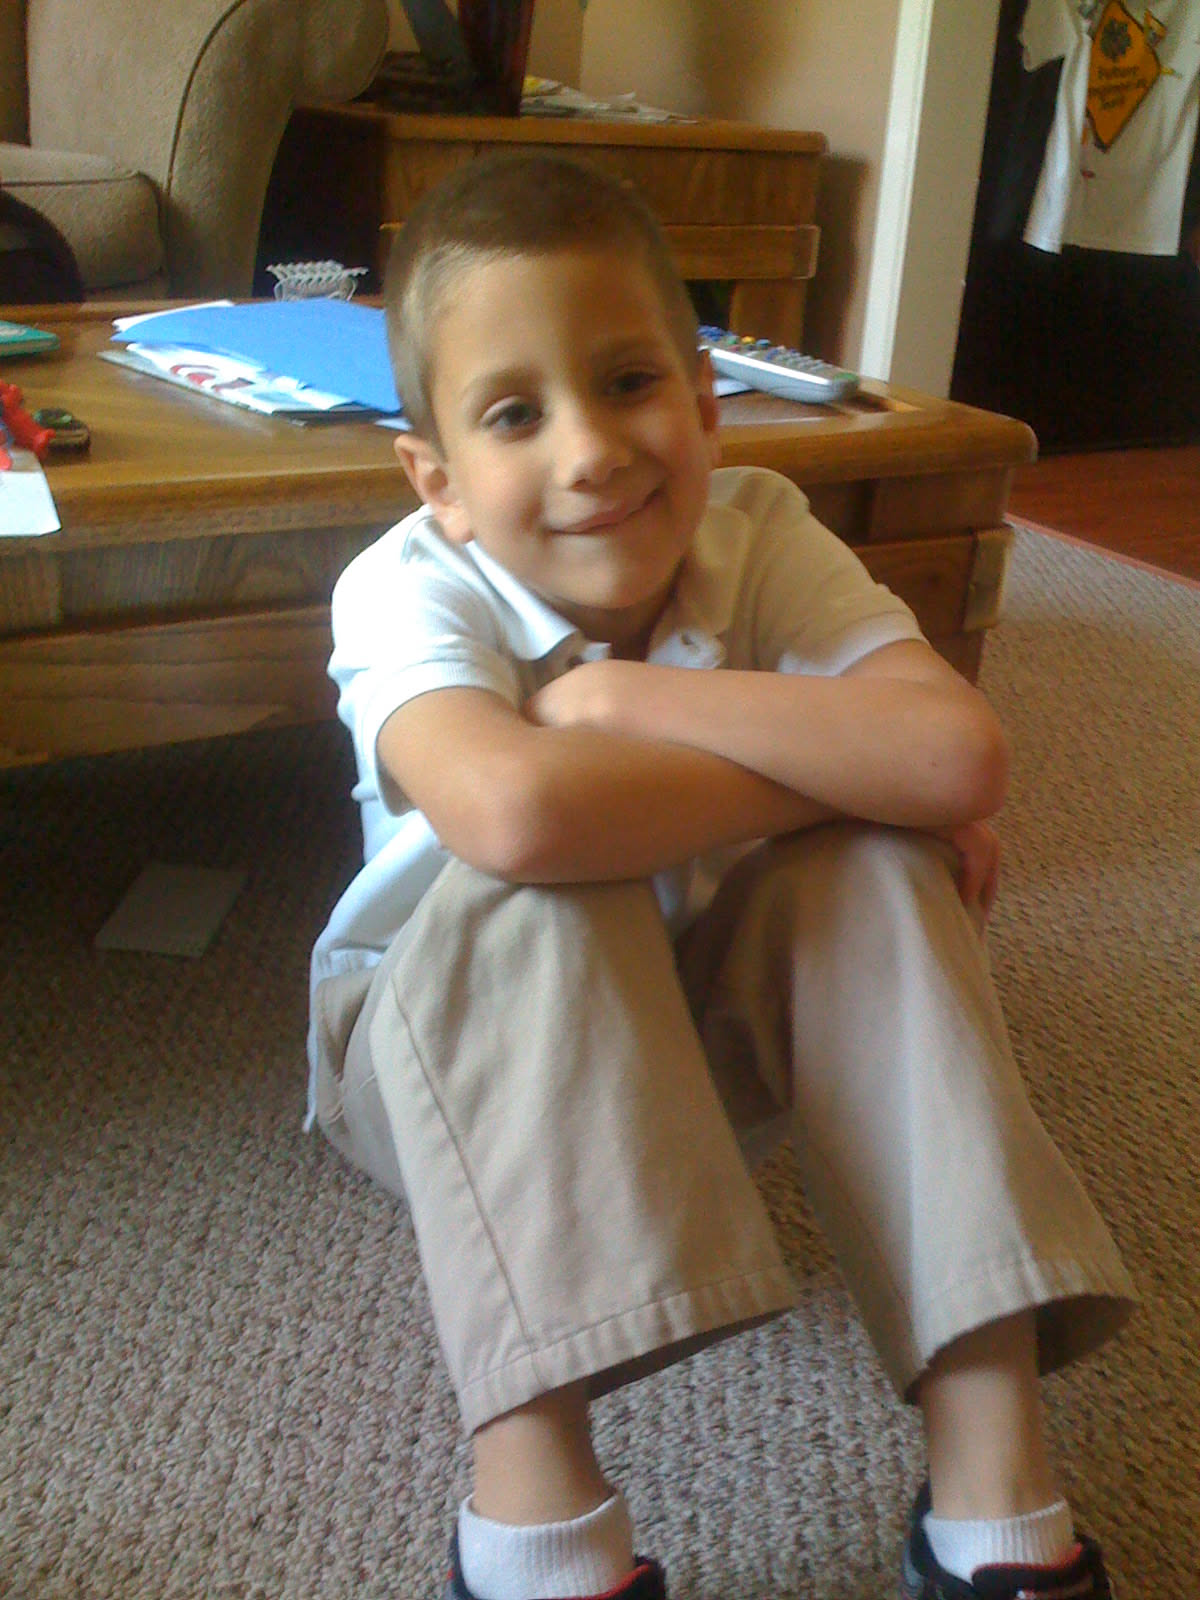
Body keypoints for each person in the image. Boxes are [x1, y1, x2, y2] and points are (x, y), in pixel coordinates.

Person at [307, 150, 1136, 1600]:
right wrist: (849, 766)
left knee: (877, 858)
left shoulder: (762, 532)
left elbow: (958, 755)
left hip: (708, 1034)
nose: (590, 452)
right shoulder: (404, 583)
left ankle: (994, 1484)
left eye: (629, 383)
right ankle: (538, 1516)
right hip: (440, 1062)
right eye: (515, 414)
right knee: (546, 877)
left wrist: (628, 703)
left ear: (705, 400)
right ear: (437, 481)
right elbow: (514, 813)